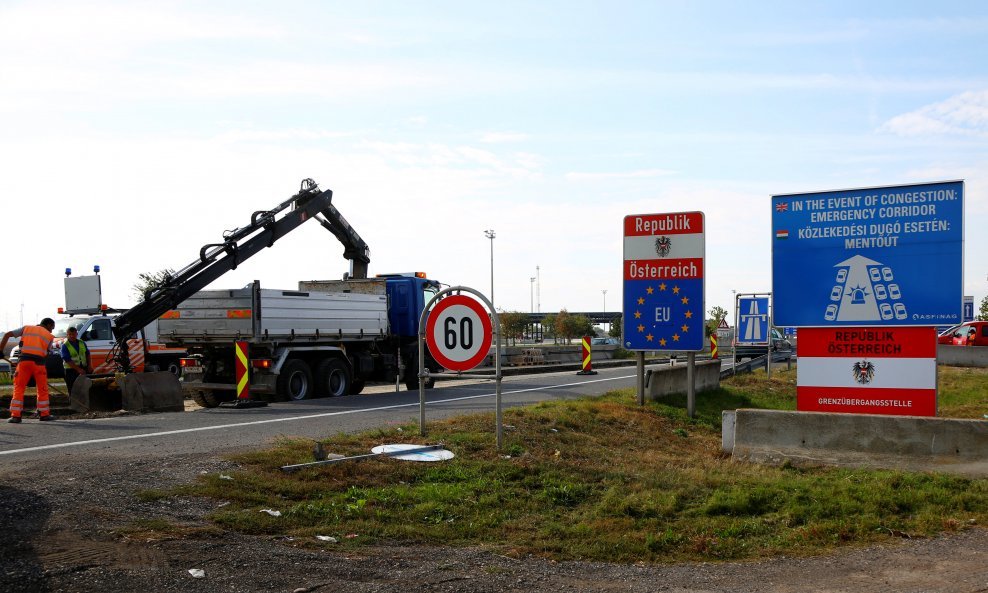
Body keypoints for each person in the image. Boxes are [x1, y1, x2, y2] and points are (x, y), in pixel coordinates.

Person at [0, 318, 57, 423]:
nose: (51, 331)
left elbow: (7, 334)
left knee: (19, 388)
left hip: (24, 363)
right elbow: (47, 353)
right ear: (48, 325)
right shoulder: (49, 336)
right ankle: (44, 414)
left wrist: (0, 350)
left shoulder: (26, 328)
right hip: (39, 364)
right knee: (42, 389)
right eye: (52, 328)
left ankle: (16, 416)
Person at [61, 326, 90, 394]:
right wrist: (78, 369)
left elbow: (87, 354)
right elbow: (67, 359)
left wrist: (89, 365)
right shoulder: (65, 345)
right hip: (71, 370)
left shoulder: (81, 342)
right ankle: (74, 403)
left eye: (73, 334)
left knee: (84, 388)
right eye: (69, 334)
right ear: (67, 334)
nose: (71, 336)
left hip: (83, 368)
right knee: (72, 389)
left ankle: (84, 403)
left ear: (76, 334)